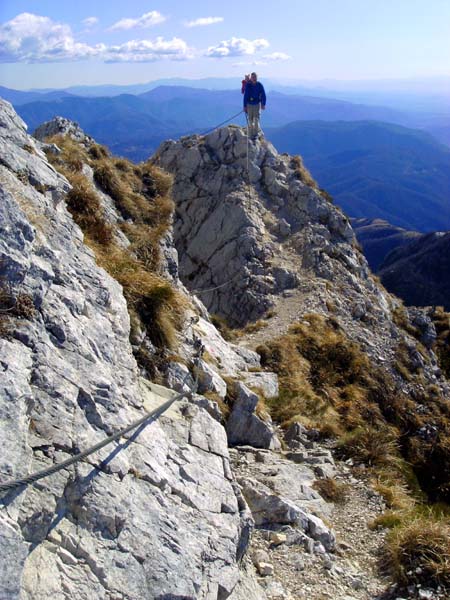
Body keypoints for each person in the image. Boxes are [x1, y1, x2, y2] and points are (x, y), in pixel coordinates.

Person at [243, 72, 266, 140]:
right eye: (253, 77)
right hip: (249, 104)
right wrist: (244, 106)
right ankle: (250, 134)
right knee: (250, 120)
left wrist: (263, 104)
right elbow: (245, 96)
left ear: (257, 77)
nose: (254, 78)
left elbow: (263, 95)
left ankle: (255, 134)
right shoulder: (248, 85)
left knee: (256, 120)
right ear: (251, 78)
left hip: (256, 104)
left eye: (255, 77)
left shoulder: (259, 85)